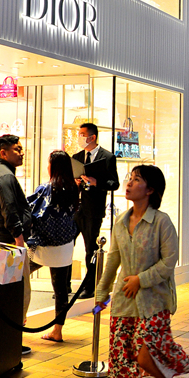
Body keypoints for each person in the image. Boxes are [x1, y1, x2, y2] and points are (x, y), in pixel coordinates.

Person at [95, 165, 189, 378]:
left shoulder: (161, 222)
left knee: (144, 356)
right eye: (130, 178)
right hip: (124, 301)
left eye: (136, 179)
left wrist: (141, 279)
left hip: (154, 301)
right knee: (121, 359)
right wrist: (102, 293)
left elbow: (168, 262)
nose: (128, 183)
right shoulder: (120, 222)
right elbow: (113, 259)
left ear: (150, 190)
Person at [0, 134, 33, 355]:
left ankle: (3, 343)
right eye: (16, 149)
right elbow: (10, 211)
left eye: (21, 149)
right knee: (16, 296)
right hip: (7, 245)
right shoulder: (4, 176)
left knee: (1, 296)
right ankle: (10, 343)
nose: (21, 153)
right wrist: (19, 240)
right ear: (3, 153)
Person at [29, 151, 80, 343]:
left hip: (43, 245)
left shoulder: (45, 188)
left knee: (21, 276)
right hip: (65, 245)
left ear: (53, 166)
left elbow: (30, 209)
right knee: (60, 290)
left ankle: (20, 319)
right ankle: (57, 330)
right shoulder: (73, 188)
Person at [73, 122, 119, 299]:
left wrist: (96, 182)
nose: (79, 138)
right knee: (67, 245)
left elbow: (114, 183)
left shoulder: (107, 157)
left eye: (82, 135)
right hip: (76, 209)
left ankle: (90, 286)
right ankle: (65, 285)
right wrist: (75, 183)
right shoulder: (77, 157)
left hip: (93, 210)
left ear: (92, 137)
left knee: (90, 248)